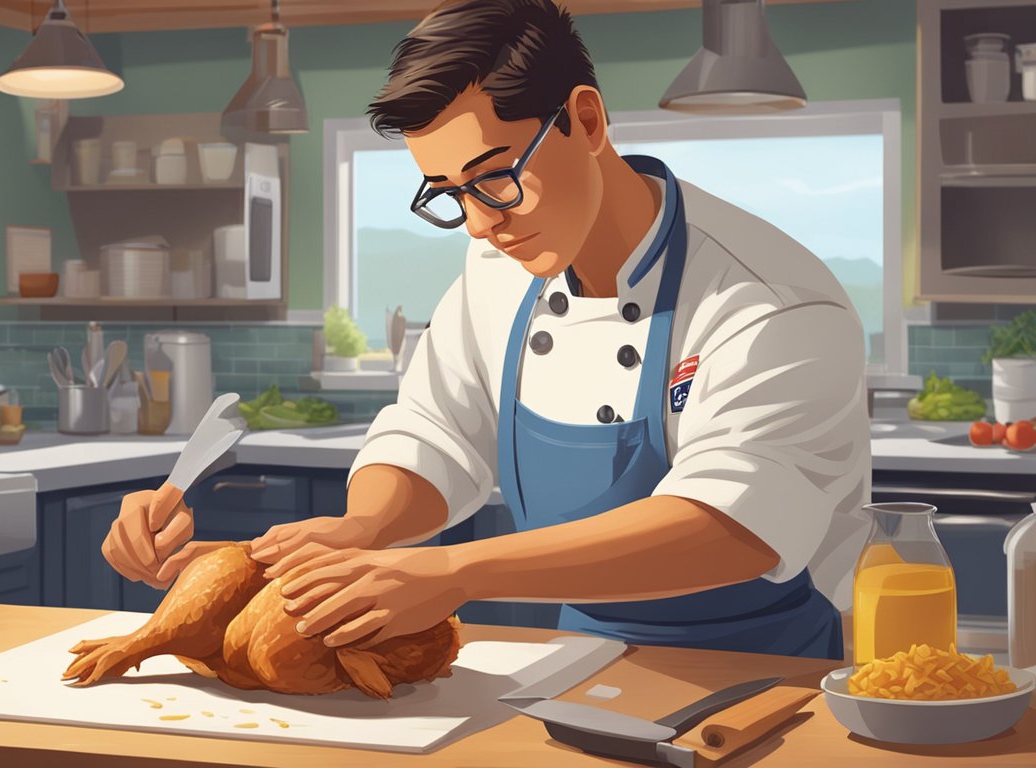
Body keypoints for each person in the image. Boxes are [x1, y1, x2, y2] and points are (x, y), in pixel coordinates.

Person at [102, 0, 871, 660]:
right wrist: (364, 527)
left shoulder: (768, 300)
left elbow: (732, 527)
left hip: (766, 672)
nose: (480, 225)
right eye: (448, 194)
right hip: (582, 657)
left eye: (497, 178)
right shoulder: (501, 268)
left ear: (587, 120)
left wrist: (455, 573)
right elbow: (436, 432)